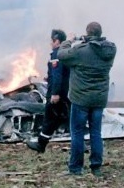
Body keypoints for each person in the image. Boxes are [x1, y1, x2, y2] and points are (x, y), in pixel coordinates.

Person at [57, 22, 116, 176]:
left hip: (80, 99)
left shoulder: (80, 51)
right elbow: (96, 47)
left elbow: (61, 55)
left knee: (77, 133)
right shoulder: (110, 49)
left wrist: (68, 40)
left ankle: (76, 168)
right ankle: (96, 166)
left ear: (88, 33)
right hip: (99, 99)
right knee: (96, 133)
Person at [26, 29, 70, 153]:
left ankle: (41, 144)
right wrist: (48, 77)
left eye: (51, 41)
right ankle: (42, 143)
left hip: (57, 93)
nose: (50, 43)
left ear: (56, 41)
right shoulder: (66, 52)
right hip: (65, 91)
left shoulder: (57, 54)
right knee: (61, 118)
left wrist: (55, 93)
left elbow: (58, 75)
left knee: (50, 117)